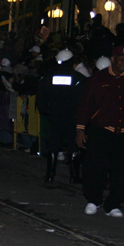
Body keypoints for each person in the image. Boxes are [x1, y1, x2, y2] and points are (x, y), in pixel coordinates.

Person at [75, 45, 124, 217]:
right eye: (121, 60)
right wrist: (80, 129)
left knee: (122, 170)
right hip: (102, 130)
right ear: (113, 59)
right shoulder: (98, 79)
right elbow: (85, 106)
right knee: (96, 167)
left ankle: (113, 204)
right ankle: (93, 200)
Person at [36, 48, 88, 184]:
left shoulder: (49, 76)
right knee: (73, 145)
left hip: (55, 115)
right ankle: (74, 175)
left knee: (54, 144)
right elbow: (85, 97)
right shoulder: (78, 78)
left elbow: (41, 94)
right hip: (73, 116)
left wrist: (44, 109)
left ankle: (50, 174)